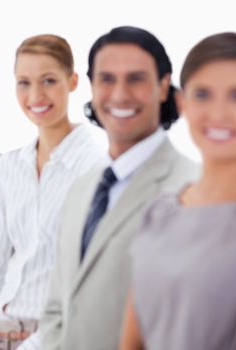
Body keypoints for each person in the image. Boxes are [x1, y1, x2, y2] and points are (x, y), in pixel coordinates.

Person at [120, 32, 236, 350]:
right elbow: (131, 341)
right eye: (202, 94)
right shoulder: (159, 212)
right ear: (182, 103)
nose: (218, 112)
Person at [41, 26, 198, 350]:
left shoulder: (192, 188)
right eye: (107, 79)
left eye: (136, 79)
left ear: (163, 86)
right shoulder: (83, 188)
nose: (120, 94)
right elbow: (58, 304)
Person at [0, 34, 105, 350]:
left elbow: (91, 284)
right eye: (23, 82)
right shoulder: (12, 165)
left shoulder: (95, 169)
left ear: (72, 81)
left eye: (48, 81)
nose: (35, 95)